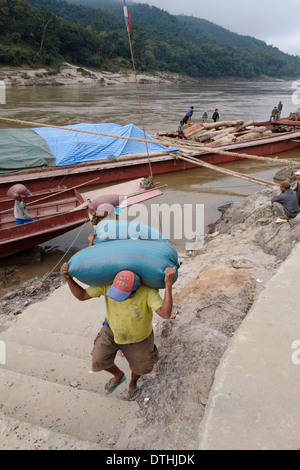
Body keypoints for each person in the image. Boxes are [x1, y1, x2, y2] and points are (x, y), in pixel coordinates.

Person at [60, 263, 177, 401]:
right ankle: (118, 375)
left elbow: (165, 313)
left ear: (135, 290)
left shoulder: (148, 292)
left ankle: (133, 383)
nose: (118, 297)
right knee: (99, 359)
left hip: (139, 337)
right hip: (112, 330)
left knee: (141, 367)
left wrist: (168, 284)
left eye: (124, 295)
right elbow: (82, 295)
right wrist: (68, 279)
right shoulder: (109, 286)